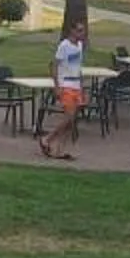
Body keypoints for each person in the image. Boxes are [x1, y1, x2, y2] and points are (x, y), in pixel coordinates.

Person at [38, 22, 88, 160]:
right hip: (66, 85)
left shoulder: (79, 46)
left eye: (83, 30)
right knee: (69, 117)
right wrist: (57, 86)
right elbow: (54, 65)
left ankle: (60, 150)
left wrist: (82, 89)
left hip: (76, 85)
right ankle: (47, 139)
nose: (81, 33)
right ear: (72, 31)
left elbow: (78, 67)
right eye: (79, 30)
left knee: (71, 122)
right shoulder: (64, 46)